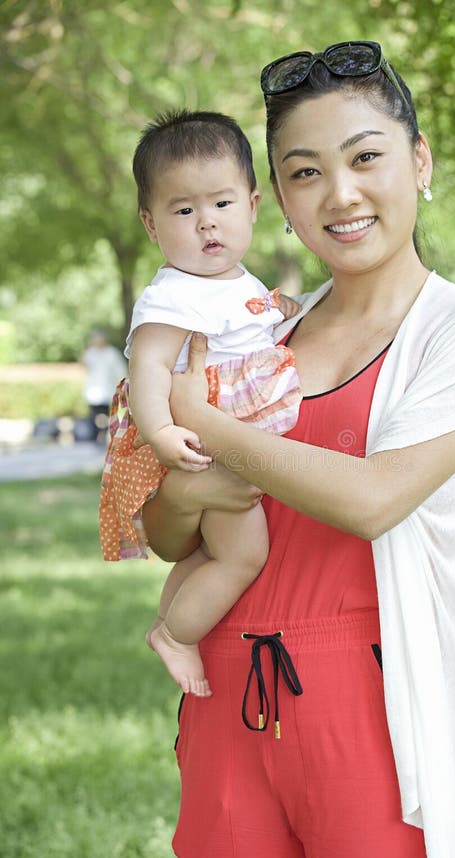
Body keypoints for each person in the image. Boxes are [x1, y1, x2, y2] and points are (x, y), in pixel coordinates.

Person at [142, 43, 455, 858]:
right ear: (277, 198)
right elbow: (165, 533)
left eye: (366, 157)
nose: (340, 194)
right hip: (227, 699)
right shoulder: (258, 335)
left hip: (371, 711)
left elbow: (371, 499)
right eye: (305, 171)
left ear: (419, 162)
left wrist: (201, 422)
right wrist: (188, 487)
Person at [99, 110, 302, 697]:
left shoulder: (237, 280)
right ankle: (176, 637)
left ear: (254, 206)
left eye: (222, 204)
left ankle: (172, 617)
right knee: (243, 556)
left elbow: (252, 324)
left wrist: (279, 311)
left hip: (228, 436)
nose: (207, 224)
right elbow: (149, 370)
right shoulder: (172, 296)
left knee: (210, 554)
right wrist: (163, 433)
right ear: (151, 223)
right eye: (184, 211)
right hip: (204, 446)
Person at [81, 328, 127, 441]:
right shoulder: (90, 353)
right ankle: (94, 436)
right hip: (93, 390)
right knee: (93, 415)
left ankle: (104, 434)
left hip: (107, 389)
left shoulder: (112, 353)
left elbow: (120, 371)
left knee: (106, 414)